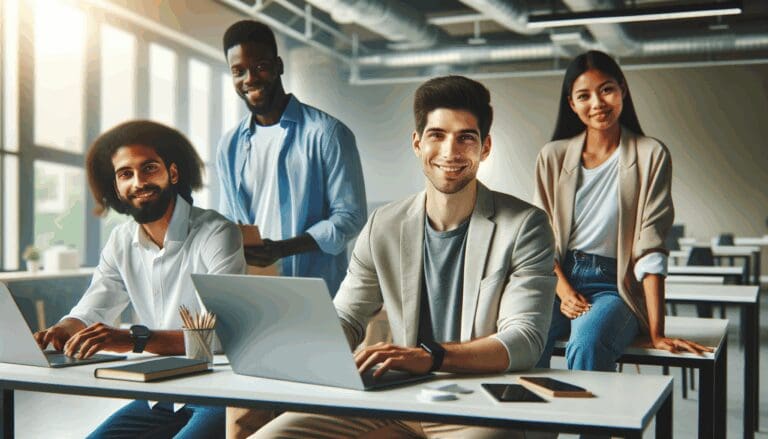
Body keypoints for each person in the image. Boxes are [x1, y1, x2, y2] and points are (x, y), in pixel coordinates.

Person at [237, 75, 556, 438]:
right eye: (437, 135)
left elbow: (524, 339)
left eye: (465, 137)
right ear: (417, 143)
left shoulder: (526, 226)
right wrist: (303, 349)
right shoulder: (383, 225)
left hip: (481, 403)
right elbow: (347, 316)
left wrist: (431, 356)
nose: (450, 152)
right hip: (396, 396)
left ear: (485, 148)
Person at [34, 120, 246, 438]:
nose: (139, 182)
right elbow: (93, 308)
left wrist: (134, 339)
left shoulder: (216, 233)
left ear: (172, 173)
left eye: (149, 168)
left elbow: (219, 336)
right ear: (117, 186)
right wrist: (63, 329)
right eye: (126, 174)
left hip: (220, 391)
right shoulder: (120, 241)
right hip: (161, 392)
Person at [534, 50, 711, 372]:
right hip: (558, 279)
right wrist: (564, 290)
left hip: (615, 284)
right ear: (571, 104)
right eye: (584, 96)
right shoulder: (552, 156)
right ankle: (530, 409)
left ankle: (585, 409)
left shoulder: (651, 153)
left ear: (622, 90)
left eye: (606, 89)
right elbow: (539, 238)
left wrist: (657, 333)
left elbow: (650, 247)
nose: (597, 103)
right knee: (526, 335)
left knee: (586, 343)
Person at [217, 20, 367, 295]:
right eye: (239, 71)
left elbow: (350, 216)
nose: (249, 79)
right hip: (253, 290)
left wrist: (284, 249)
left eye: (260, 66)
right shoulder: (229, 145)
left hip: (316, 292)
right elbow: (228, 219)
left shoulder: (327, 133)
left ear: (279, 66)